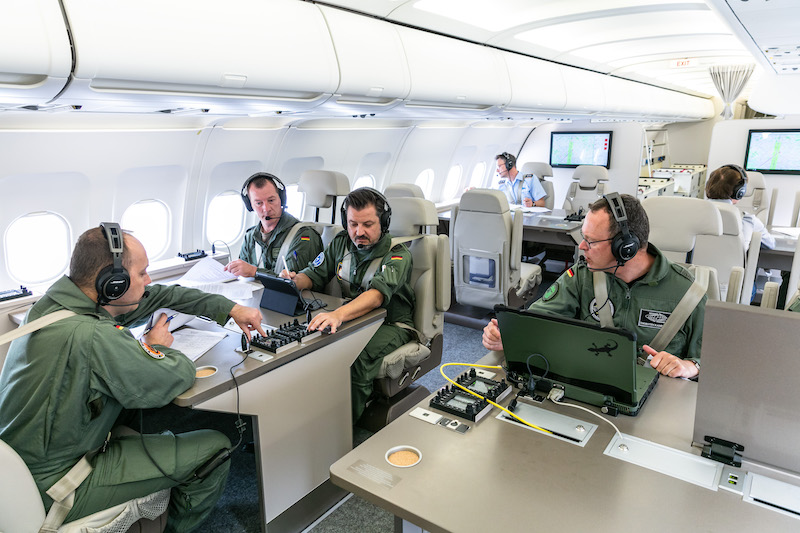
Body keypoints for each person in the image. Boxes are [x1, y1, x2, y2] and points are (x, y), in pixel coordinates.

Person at [0, 224, 267, 532]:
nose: (148, 280)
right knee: (216, 446)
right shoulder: (92, 336)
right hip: (61, 484)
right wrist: (155, 348)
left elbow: (162, 294)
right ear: (113, 283)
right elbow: (174, 376)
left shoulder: (54, 307)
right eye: (142, 274)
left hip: (28, 468)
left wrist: (230, 308)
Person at [483, 193, 704, 379]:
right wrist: (508, 334)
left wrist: (691, 367)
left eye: (591, 241)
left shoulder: (689, 294)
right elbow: (537, 321)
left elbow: (712, 366)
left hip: (657, 404)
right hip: (589, 387)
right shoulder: (581, 277)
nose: (581, 246)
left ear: (626, 247)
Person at [281, 188, 415, 422]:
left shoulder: (397, 255)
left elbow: (376, 296)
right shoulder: (342, 243)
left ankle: (344, 428)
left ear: (383, 223)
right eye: (352, 224)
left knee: (355, 357)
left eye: (368, 224)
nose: (358, 232)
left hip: (391, 324)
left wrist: (338, 314)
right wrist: (293, 281)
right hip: (354, 319)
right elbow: (313, 274)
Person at [225, 172, 323, 277]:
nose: (266, 209)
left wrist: (254, 272)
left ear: (281, 199)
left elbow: (294, 280)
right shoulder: (250, 237)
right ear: (250, 206)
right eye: (258, 203)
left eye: (271, 200)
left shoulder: (303, 236)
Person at [705, 164, 775, 250]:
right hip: (733, 263)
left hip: (695, 263)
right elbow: (771, 244)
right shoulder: (747, 219)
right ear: (740, 192)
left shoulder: (694, 212)